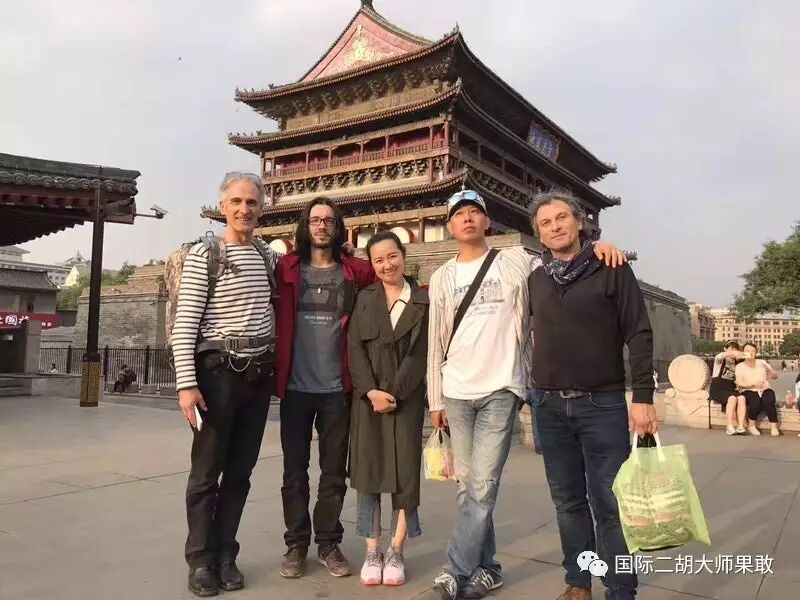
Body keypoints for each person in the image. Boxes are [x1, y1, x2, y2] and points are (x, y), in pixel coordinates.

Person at [425, 189, 625, 600]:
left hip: (502, 386)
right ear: (449, 226)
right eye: (459, 214)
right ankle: (487, 569)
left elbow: (565, 260)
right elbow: (434, 341)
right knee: (469, 488)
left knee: (482, 485)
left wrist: (597, 247)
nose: (467, 219)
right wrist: (435, 399)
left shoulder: (517, 260)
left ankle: (454, 570)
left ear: (488, 222)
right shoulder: (443, 275)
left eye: (475, 212)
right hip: (456, 390)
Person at [527, 191, 657, 600]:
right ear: (538, 234)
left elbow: (639, 331)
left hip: (602, 403)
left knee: (610, 504)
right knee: (568, 502)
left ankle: (621, 589)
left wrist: (644, 396)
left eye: (562, 218)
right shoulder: (536, 279)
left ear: (580, 222)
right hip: (548, 404)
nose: (555, 226)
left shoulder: (610, 267)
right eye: (545, 223)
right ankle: (578, 581)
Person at [171, 172, 278, 597]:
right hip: (216, 374)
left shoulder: (267, 256)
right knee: (206, 472)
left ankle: (226, 553)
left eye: (251, 202)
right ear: (222, 207)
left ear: (261, 208)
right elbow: (185, 323)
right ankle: (200, 559)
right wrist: (186, 384)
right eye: (236, 201)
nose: (243, 209)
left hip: (258, 374)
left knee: (240, 472)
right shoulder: (206, 254)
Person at [274, 196, 375, 579]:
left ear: (337, 227)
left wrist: (357, 253)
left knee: (333, 473)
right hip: (295, 388)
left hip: (337, 389)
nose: (321, 226)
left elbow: (387, 273)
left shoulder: (353, 271)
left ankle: (328, 543)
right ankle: (297, 544)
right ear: (305, 226)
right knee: (294, 474)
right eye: (315, 220)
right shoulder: (286, 268)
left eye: (328, 220)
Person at [348, 230, 429, 587]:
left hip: (405, 401)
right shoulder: (364, 298)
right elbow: (354, 349)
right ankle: (372, 548)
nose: (386, 265)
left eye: (392, 256)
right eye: (378, 260)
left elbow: (419, 354)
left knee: (405, 475)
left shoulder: (422, 300)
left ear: (403, 255)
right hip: (368, 401)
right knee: (368, 473)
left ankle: (396, 549)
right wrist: (371, 392)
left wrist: (392, 394)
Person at [735, 342, 781, 436]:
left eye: (753, 351)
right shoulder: (739, 366)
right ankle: (751, 425)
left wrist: (773, 375)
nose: (750, 353)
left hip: (764, 388)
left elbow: (773, 375)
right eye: (747, 350)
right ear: (743, 352)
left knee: (769, 400)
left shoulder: (762, 362)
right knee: (755, 402)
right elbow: (739, 383)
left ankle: (774, 427)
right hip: (748, 389)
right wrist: (752, 385)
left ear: (756, 353)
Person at [709, 341, 747, 435]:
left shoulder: (737, 363)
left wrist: (742, 355)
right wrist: (732, 353)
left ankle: (740, 426)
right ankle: (729, 426)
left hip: (730, 389)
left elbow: (750, 357)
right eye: (730, 349)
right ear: (725, 349)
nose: (733, 353)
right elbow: (719, 356)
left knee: (742, 398)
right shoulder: (720, 361)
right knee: (732, 398)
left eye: (735, 350)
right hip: (718, 389)